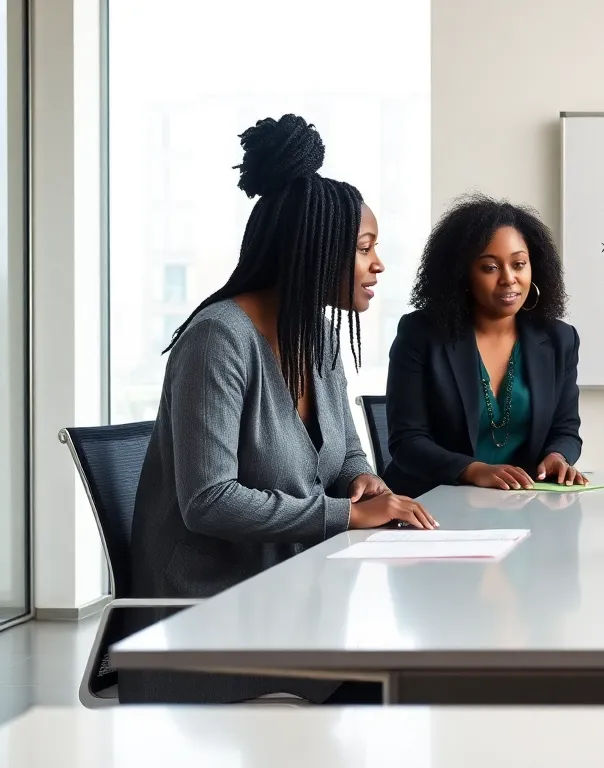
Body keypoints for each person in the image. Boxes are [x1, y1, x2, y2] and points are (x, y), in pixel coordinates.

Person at [123, 114, 435, 704]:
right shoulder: (218, 340)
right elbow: (209, 501)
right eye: (365, 248)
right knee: (400, 688)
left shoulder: (312, 335)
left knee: (417, 667)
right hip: (215, 618)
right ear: (314, 251)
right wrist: (345, 516)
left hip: (289, 593)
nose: (379, 264)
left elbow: (341, 452)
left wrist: (361, 482)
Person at [381, 194, 584, 498]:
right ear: (462, 274)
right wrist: (473, 470)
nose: (509, 279)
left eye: (519, 264)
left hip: (524, 503)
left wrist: (558, 457)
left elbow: (566, 430)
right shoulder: (421, 334)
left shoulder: (558, 339)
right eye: (490, 267)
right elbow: (407, 442)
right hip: (433, 503)